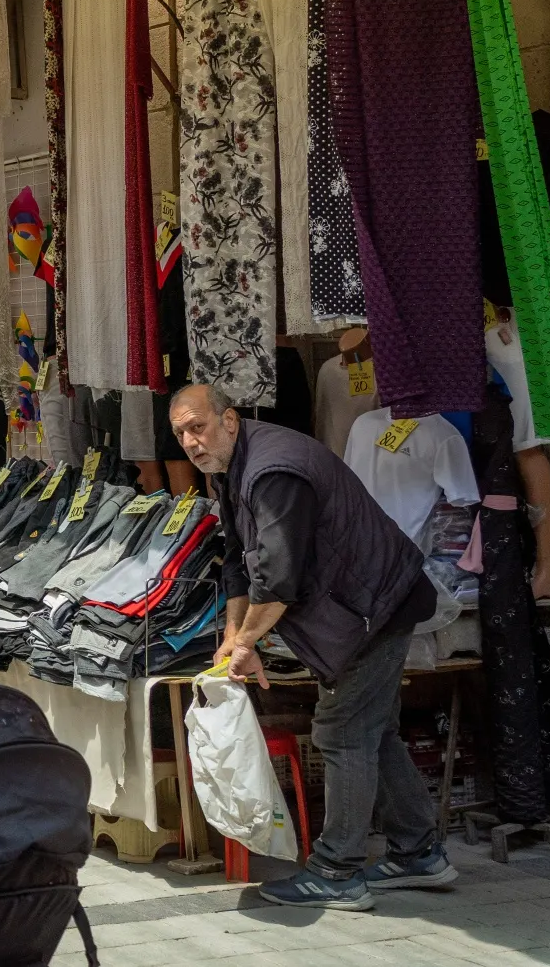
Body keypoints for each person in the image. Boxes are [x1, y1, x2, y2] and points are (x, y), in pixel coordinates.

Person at [169, 384, 450, 911]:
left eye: (197, 426)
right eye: (181, 433)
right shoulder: (233, 466)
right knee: (372, 730)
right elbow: (236, 557)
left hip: (374, 605)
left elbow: (277, 578)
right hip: (362, 605)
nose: (190, 441)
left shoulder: (273, 470)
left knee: (342, 733)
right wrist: (233, 637)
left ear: (229, 420)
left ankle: (337, 871)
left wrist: (248, 641)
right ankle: (419, 853)